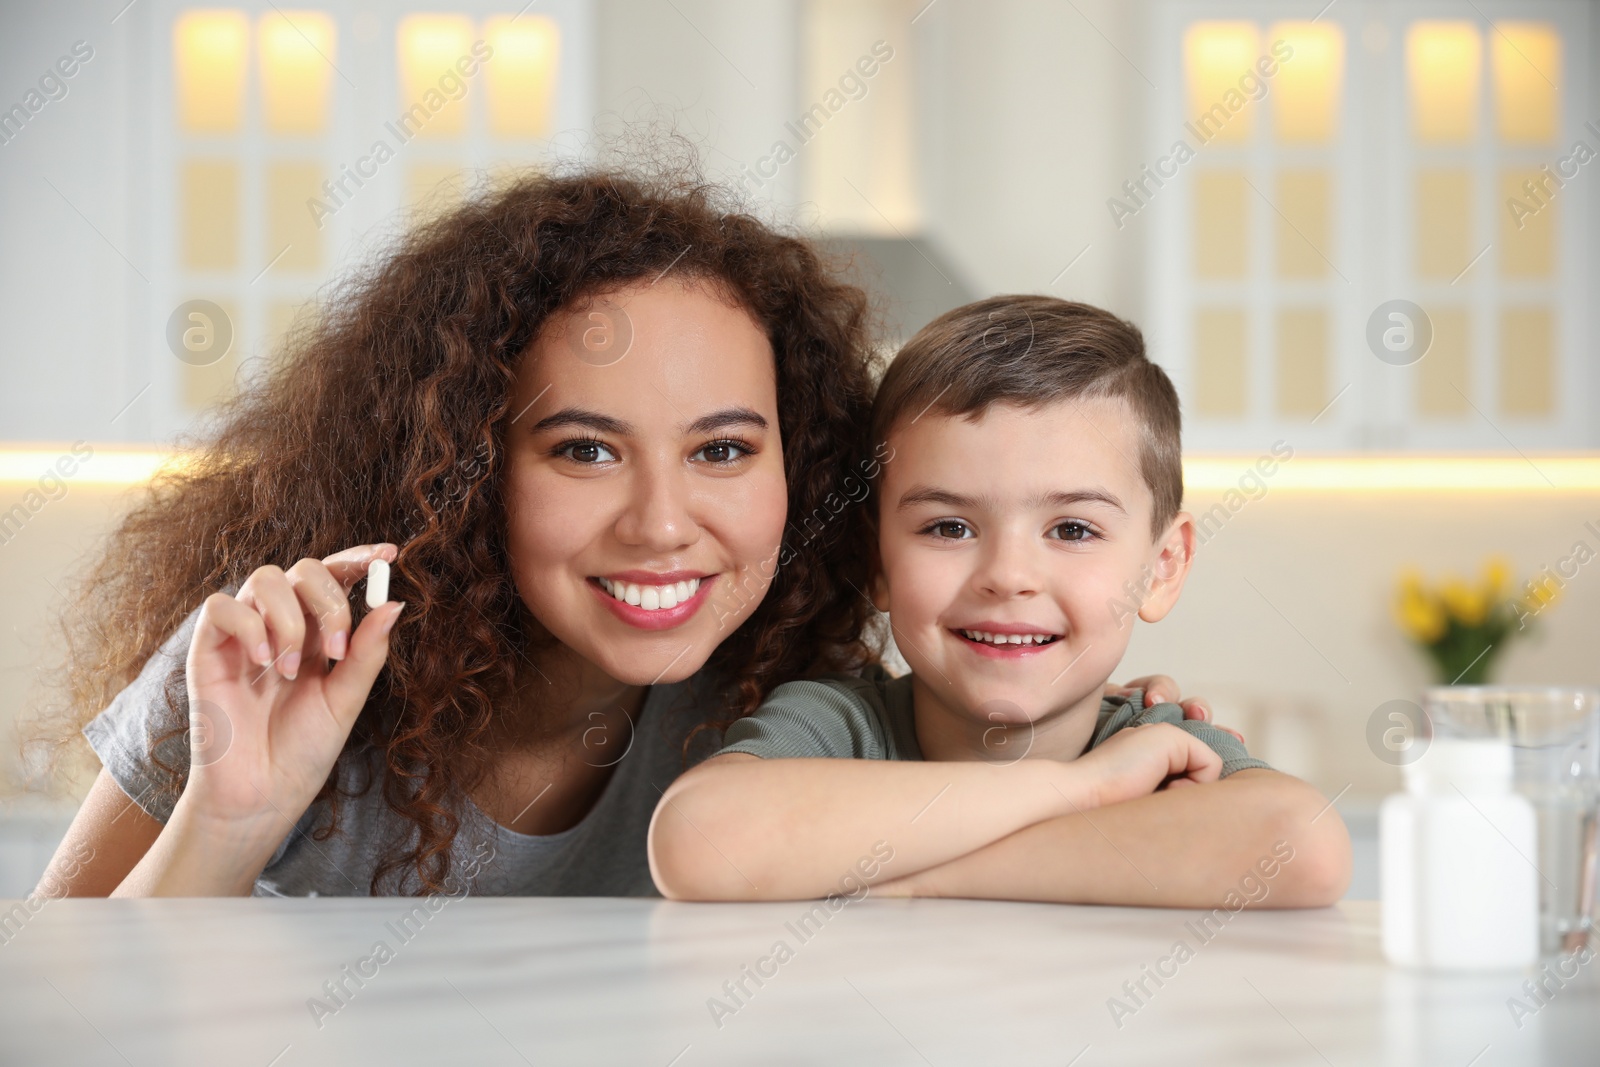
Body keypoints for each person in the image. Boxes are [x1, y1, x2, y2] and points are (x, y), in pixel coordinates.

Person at [32, 174, 1211, 898]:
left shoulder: (783, 710)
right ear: (463, 468)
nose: (660, 524)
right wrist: (231, 820)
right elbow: (57, 1015)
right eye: (584, 449)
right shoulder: (265, 663)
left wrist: (1090, 737)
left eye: (723, 450)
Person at [649, 296, 1352, 906]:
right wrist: (1083, 790)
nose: (1008, 575)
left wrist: (918, 877)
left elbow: (1305, 846)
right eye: (948, 526)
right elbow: (697, 837)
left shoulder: (1158, 745)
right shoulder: (838, 722)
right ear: (876, 560)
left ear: (1162, 568)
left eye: (1072, 528)